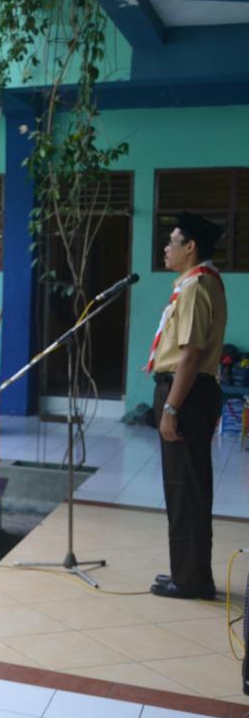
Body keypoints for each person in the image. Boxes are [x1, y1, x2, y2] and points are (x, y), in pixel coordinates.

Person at [146, 212, 228, 600]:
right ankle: (188, 572)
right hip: (190, 391)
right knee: (185, 487)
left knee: (186, 488)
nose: (166, 248)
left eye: (172, 241)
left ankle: (192, 580)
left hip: (188, 392)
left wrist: (172, 408)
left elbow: (191, 355)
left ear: (190, 247)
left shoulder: (196, 286)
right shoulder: (197, 283)